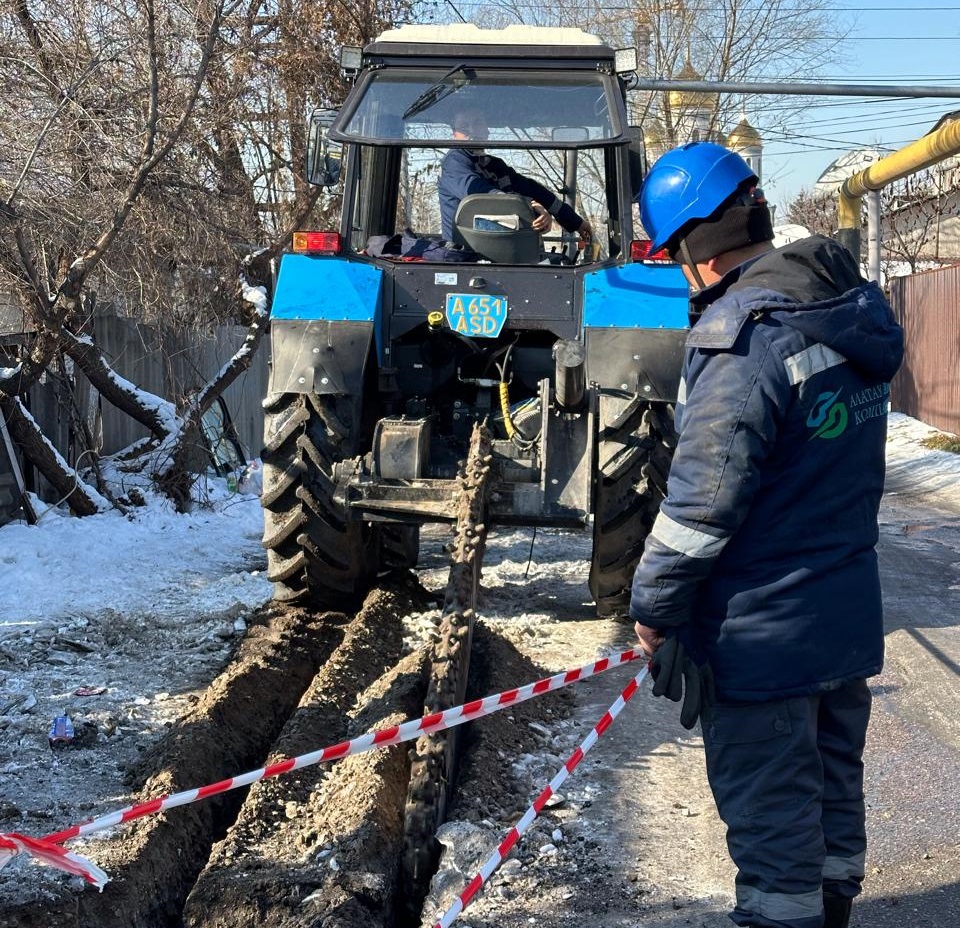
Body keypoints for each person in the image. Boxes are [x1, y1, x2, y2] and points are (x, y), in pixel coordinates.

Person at [630, 141, 904, 928]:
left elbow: (699, 509)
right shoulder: (847, 314)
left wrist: (655, 610)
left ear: (691, 247)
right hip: (842, 622)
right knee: (829, 800)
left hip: (763, 642)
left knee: (776, 834)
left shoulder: (744, 339)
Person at [438, 107, 592, 247]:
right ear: (455, 134)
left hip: (504, 251)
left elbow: (532, 189)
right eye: (464, 126)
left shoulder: (495, 165)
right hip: (463, 255)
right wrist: (529, 206)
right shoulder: (454, 162)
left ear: (486, 130)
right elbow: (479, 194)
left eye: (478, 123)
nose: (472, 130)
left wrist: (575, 222)